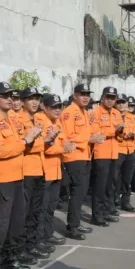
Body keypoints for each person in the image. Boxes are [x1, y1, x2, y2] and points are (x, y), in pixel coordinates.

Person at [0, 81, 38, 269]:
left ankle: (9, 258)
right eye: (4, 96)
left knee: (15, 223)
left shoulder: (12, 121)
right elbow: (1, 150)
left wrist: (27, 141)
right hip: (0, 179)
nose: (10, 99)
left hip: (16, 177)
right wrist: (24, 142)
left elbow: (17, 146)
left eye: (12, 96)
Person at [60, 84, 101, 240]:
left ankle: (76, 223)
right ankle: (72, 227)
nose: (85, 97)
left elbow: (86, 132)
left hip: (85, 155)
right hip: (74, 157)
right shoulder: (69, 113)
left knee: (81, 193)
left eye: (87, 94)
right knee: (77, 193)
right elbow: (67, 136)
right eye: (82, 94)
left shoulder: (83, 112)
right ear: (75, 96)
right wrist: (88, 139)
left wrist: (95, 136)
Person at [18, 88, 55, 259]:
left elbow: (36, 145)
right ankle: (22, 248)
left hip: (39, 169)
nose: (34, 102)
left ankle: (31, 244)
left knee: (35, 211)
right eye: (31, 99)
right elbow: (24, 146)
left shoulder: (35, 121)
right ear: (23, 101)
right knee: (24, 214)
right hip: (26, 172)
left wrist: (47, 141)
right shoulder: (18, 120)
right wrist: (44, 142)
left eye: (37, 99)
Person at [35, 94, 70, 250]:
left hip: (56, 169)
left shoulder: (57, 122)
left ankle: (47, 234)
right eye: (53, 107)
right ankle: (39, 238)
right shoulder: (39, 120)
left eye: (59, 107)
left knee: (50, 206)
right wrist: (63, 149)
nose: (57, 110)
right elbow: (45, 147)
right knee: (41, 208)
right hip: (45, 171)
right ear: (44, 107)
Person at [89, 87, 120, 227]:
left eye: (113, 98)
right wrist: (115, 130)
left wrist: (122, 131)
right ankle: (97, 215)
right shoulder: (96, 112)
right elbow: (96, 132)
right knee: (100, 186)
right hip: (101, 153)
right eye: (108, 97)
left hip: (114, 153)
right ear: (102, 98)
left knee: (110, 185)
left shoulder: (116, 113)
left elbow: (120, 132)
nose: (110, 100)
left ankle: (107, 211)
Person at [113, 95, 135, 213]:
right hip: (118, 149)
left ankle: (126, 201)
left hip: (130, 150)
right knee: (115, 178)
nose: (121, 105)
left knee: (128, 178)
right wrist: (124, 136)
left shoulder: (131, 117)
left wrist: (133, 134)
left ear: (127, 104)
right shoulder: (113, 116)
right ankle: (114, 200)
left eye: (123, 102)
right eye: (119, 103)